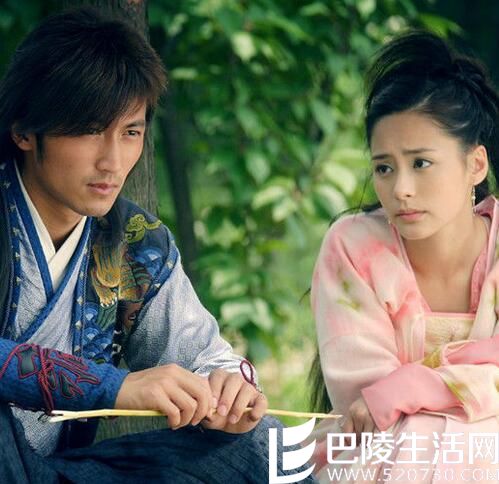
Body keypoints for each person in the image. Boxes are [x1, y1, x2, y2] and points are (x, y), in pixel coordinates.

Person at [0, 7, 317, 484]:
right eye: (89, 130)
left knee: (262, 450)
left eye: (130, 132)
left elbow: (203, 356)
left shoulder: (136, 243)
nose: (112, 161)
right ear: (25, 130)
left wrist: (231, 390)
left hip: (56, 473)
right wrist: (113, 387)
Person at [309, 30, 499, 483]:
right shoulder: (352, 246)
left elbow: (391, 398)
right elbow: (370, 405)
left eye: (421, 163)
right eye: (384, 168)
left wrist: (414, 384)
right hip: (385, 455)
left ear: (475, 164)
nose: (401, 189)